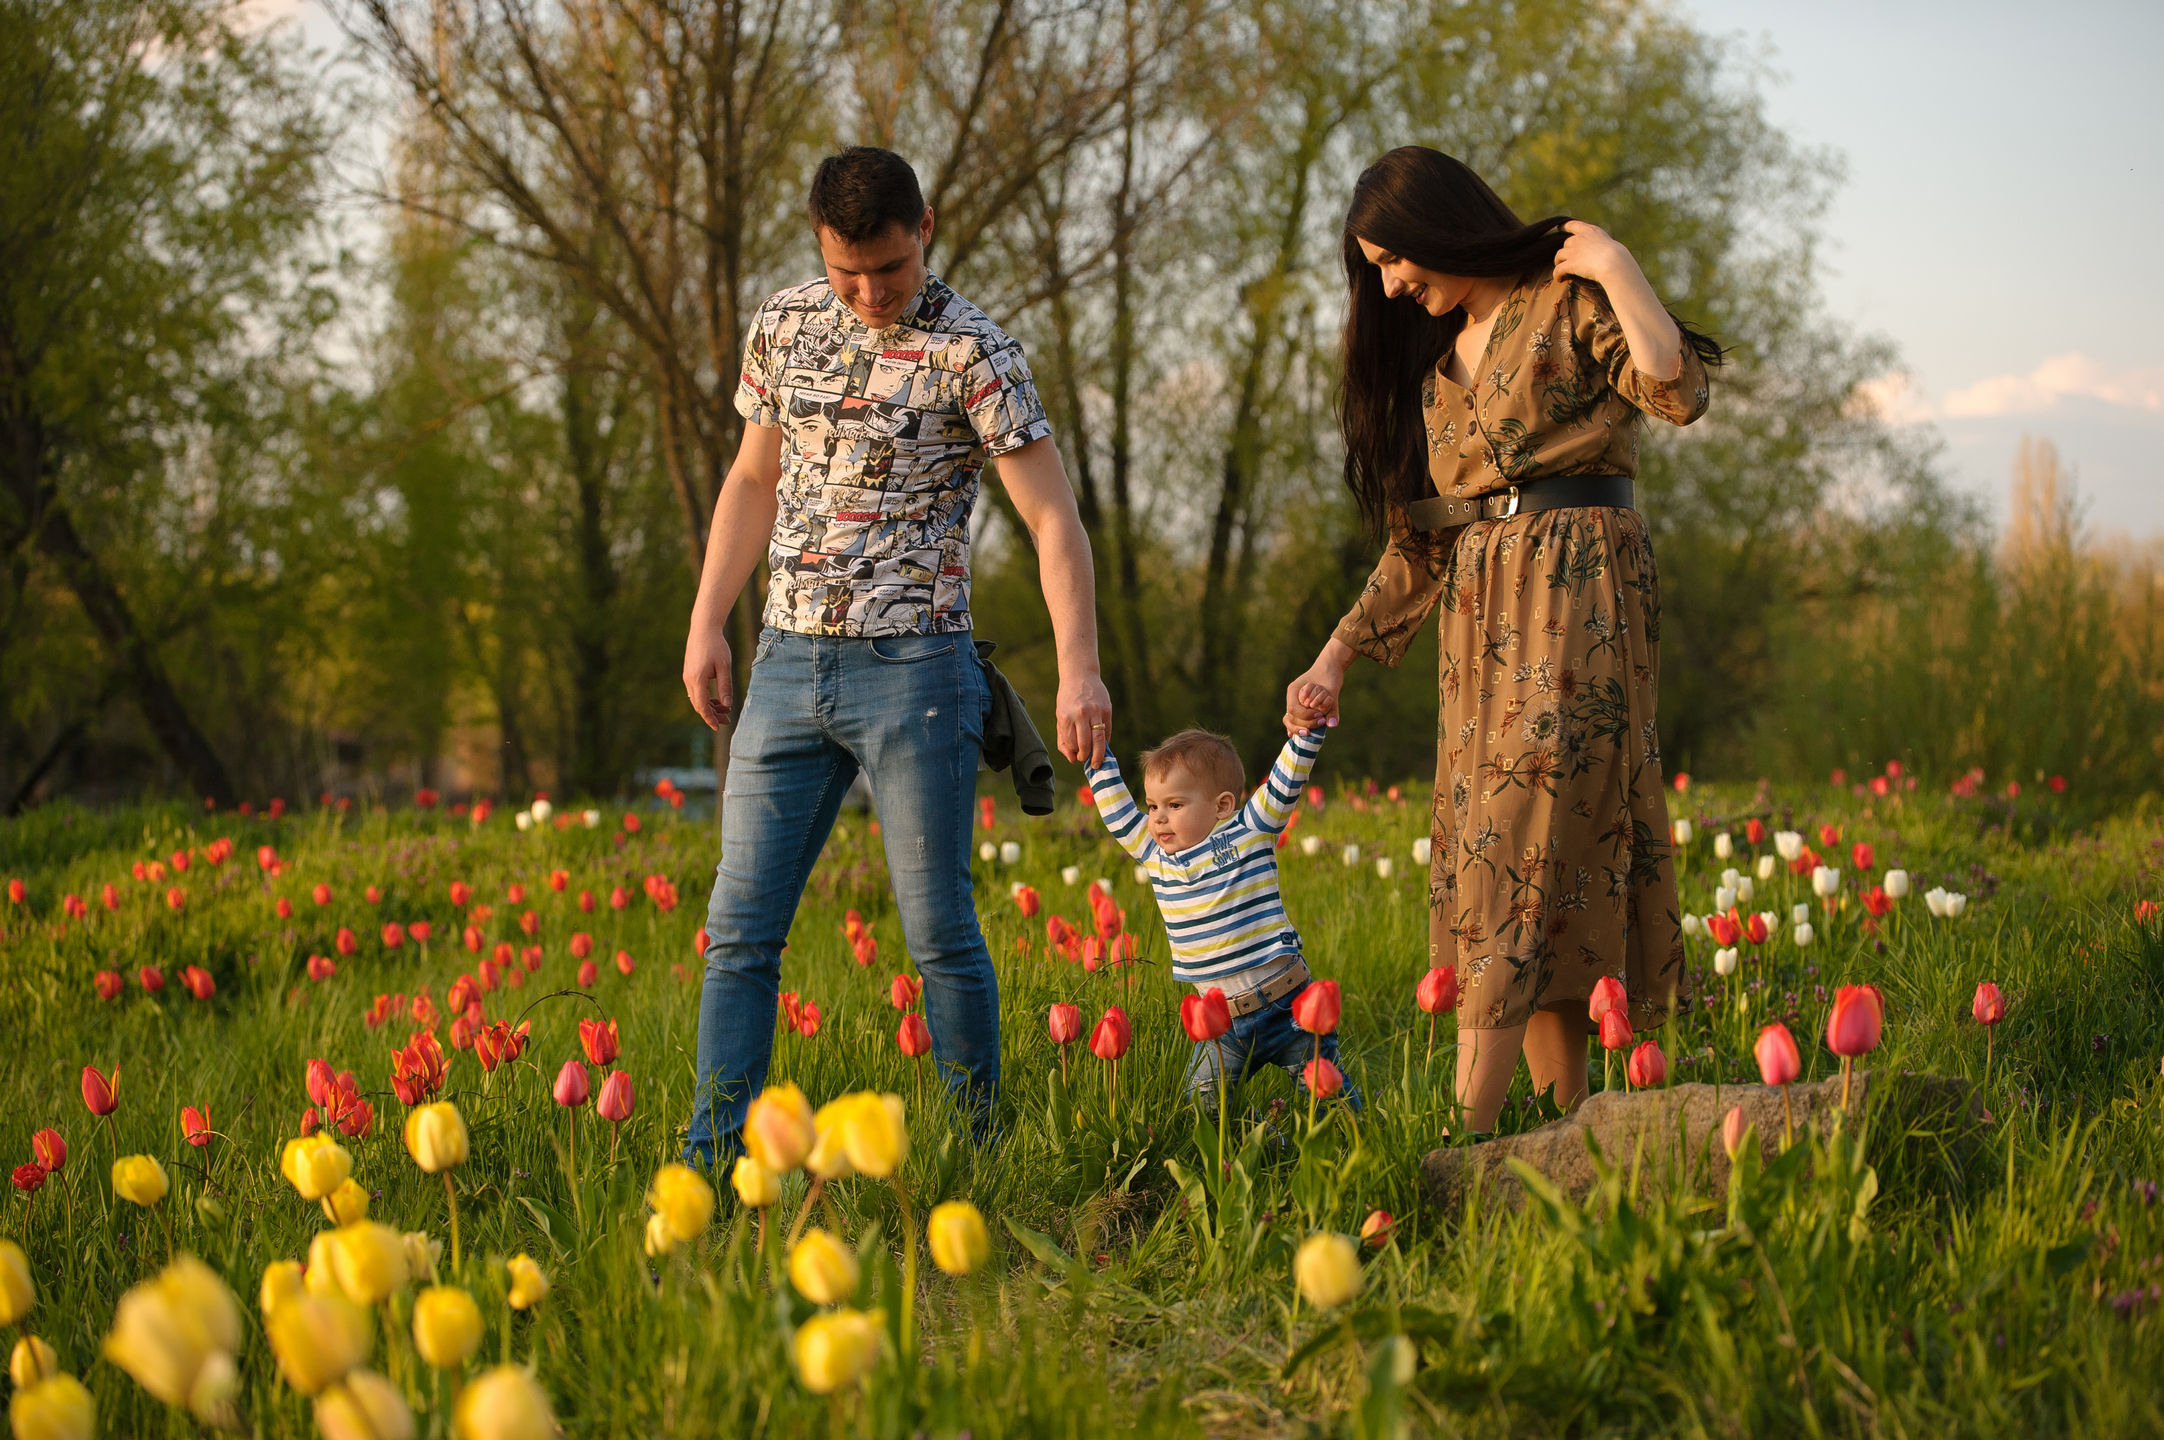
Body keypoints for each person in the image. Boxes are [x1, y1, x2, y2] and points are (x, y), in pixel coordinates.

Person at [680, 147, 1112, 1164]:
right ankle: (710, 1162)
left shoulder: (978, 353)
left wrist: (1079, 666)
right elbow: (750, 480)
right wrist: (708, 619)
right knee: (739, 933)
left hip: (916, 675)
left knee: (937, 933)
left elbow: (1053, 520)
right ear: (819, 250)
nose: (870, 292)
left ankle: (973, 1149)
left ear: (926, 229)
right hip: (785, 664)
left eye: (888, 267)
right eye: (847, 272)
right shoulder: (783, 326)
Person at [1284, 147, 1718, 1133]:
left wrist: (1615, 266)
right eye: (1377, 272)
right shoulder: (1440, 376)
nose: (1392, 285)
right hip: (1479, 631)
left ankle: (1459, 1131)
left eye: (1395, 260)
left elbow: (1676, 392)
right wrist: (1337, 652)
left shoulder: (1567, 301)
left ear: (1440, 227)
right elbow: (1422, 541)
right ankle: (1572, 1128)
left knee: (1516, 857)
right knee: (1514, 854)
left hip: (1576, 599)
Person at [1084, 725, 1361, 1114]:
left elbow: (1287, 779)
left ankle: (1360, 1152)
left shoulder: (1250, 830)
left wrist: (1309, 730)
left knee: (1329, 1100)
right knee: (1202, 1104)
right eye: (1153, 806)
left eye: (1175, 805)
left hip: (1289, 1006)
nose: (1159, 818)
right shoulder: (1156, 856)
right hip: (1223, 1023)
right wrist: (1094, 757)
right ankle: (1265, 1146)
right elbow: (1117, 814)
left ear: (1222, 806)